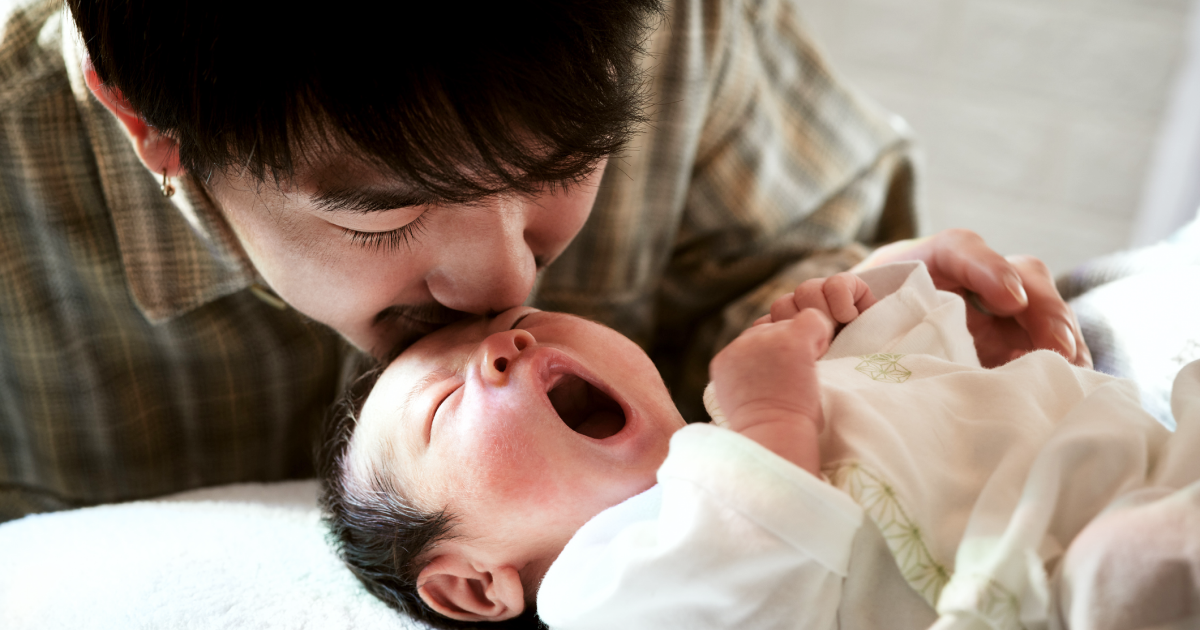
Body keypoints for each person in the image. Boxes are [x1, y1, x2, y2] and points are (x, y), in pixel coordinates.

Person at [0, 0, 1089, 521]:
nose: (505, 286)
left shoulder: (671, 24)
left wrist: (880, 326)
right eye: (382, 218)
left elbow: (776, 261)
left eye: (563, 166)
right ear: (146, 119)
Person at [321, 262, 1198, 630]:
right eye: (444, 405)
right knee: (1138, 564)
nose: (505, 343)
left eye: (525, 320)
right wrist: (776, 412)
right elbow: (755, 568)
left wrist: (866, 312)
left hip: (1131, 453)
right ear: (474, 585)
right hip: (1047, 583)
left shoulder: (727, 419)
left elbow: (933, 393)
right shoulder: (609, 592)